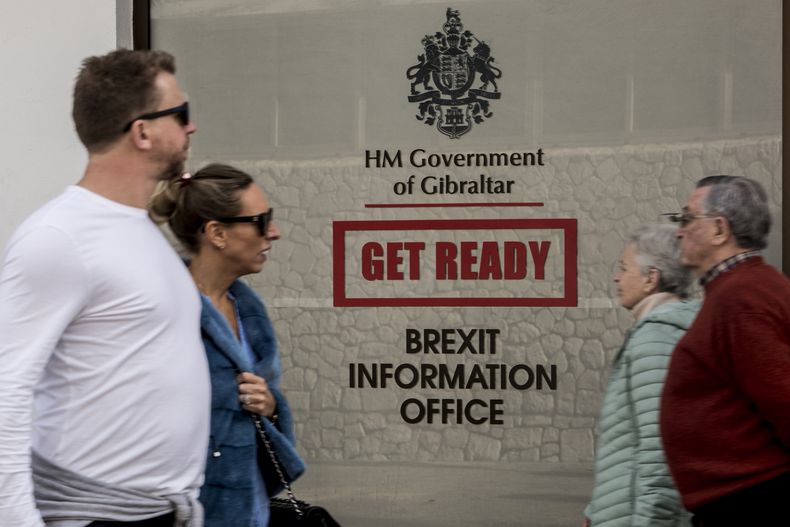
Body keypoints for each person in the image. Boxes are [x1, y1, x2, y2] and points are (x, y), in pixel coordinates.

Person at [0, 49, 208, 527]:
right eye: (182, 114)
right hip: (95, 517)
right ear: (142, 131)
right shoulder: (59, 237)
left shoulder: (139, 231)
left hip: (160, 513)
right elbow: (8, 390)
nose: (191, 128)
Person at [150, 163, 305, 527]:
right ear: (217, 233)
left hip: (247, 511)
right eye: (260, 220)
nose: (274, 232)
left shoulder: (248, 311)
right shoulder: (163, 311)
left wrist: (271, 407)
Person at [660, 175, 790, 526]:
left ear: (719, 229)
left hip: (751, 505)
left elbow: (783, 400)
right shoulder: (738, 290)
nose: (679, 231)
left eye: (687, 219)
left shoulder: (742, 298)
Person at [583, 225, 697, 527]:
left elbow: (660, 458)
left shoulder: (655, 339)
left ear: (651, 278)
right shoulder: (667, 331)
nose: (616, 277)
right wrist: (596, 510)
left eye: (623, 268)